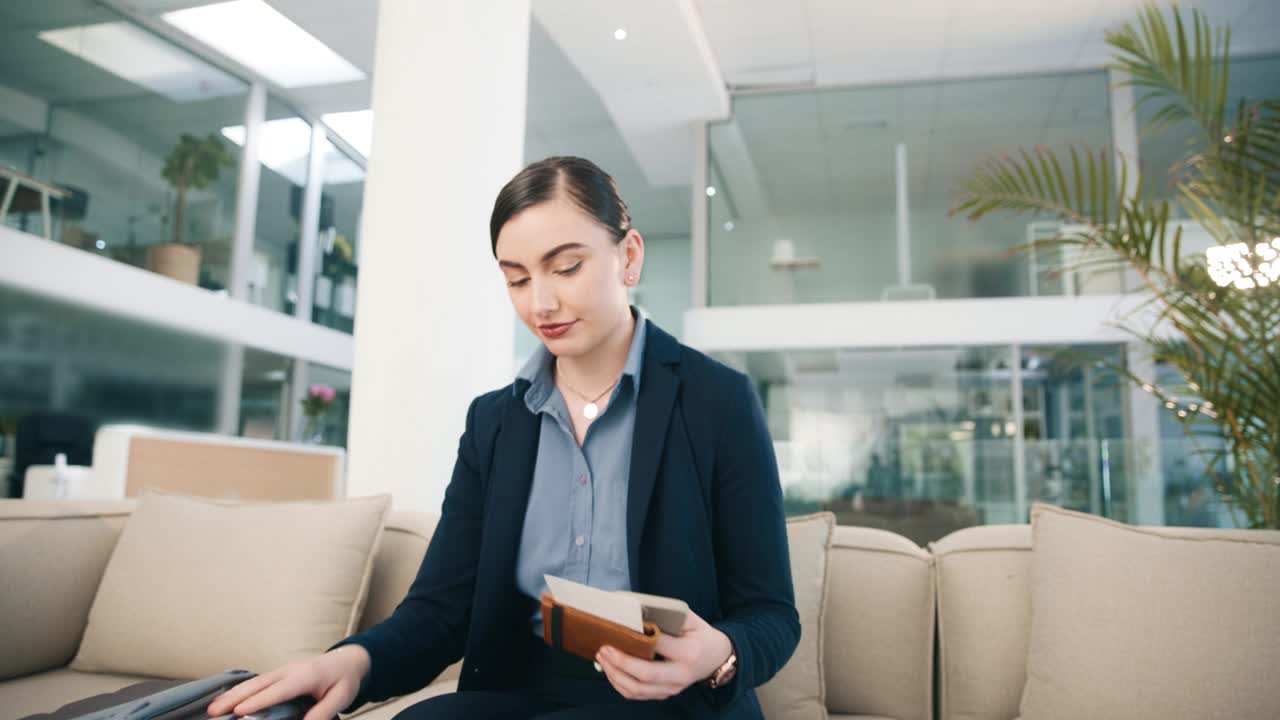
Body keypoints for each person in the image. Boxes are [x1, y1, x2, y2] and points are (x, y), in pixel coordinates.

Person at [207, 157, 798, 720]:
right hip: (521, 692)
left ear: (629, 257)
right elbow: (441, 610)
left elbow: (771, 615)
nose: (541, 303)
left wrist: (717, 655)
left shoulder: (718, 401)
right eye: (516, 279)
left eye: (566, 268)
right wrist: (350, 664)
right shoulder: (494, 423)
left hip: (671, 705)